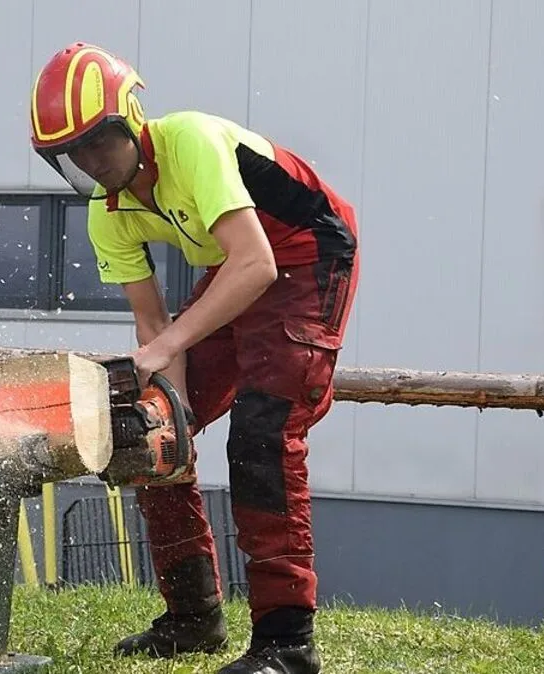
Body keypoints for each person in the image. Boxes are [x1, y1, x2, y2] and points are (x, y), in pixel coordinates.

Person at [29, 42, 360, 674]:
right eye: (76, 153)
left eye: (101, 142)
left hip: (308, 253)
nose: (93, 162)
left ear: (132, 119)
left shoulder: (192, 141)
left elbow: (258, 263)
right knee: (145, 431)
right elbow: (154, 325)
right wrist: (168, 409)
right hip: (237, 270)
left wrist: (168, 346)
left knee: (263, 436)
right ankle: (193, 616)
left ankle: (287, 644)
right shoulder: (109, 213)